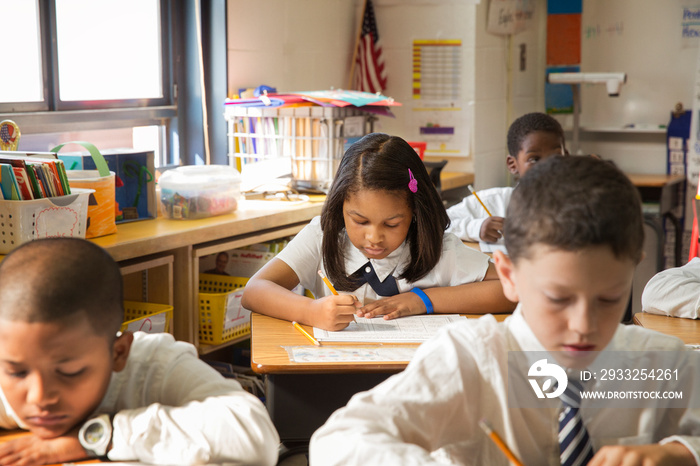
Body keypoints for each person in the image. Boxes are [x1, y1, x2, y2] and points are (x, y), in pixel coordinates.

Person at [310, 155, 700, 465]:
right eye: (558, 299)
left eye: (609, 298)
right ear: (509, 275)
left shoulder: (660, 364)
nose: (583, 326)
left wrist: (679, 453)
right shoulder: (474, 360)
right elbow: (339, 441)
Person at [0, 238, 279, 465]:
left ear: (119, 353)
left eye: (68, 372)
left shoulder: (154, 366)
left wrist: (98, 436)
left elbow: (256, 436)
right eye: (16, 372)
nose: (40, 397)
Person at [241, 133, 515, 331]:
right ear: (340, 207)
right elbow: (254, 291)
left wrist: (423, 300)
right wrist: (310, 311)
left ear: (415, 213)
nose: (373, 237)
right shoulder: (324, 236)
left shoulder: (438, 249)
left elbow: (513, 289)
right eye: (359, 221)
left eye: (392, 224)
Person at [446, 112, 566, 247]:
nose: (547, 166)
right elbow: (440, 223)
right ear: (512, 164)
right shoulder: (494, 201)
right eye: (534, 159)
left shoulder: (578, 204)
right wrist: (476, 228)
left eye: (556, 157)